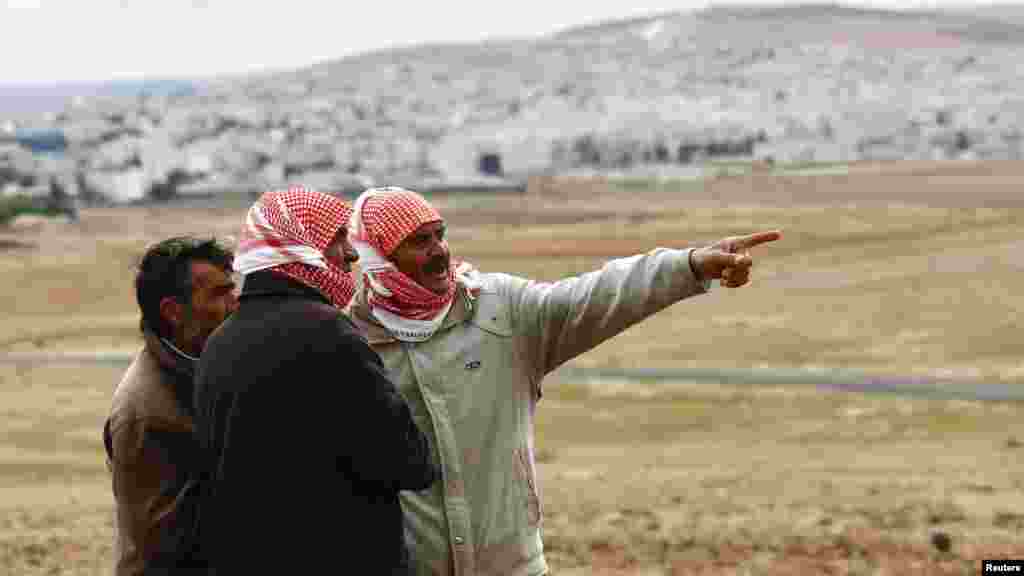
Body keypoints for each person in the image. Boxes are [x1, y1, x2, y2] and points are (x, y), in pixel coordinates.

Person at [345, 186, 782, 576]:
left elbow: (596, 296)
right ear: (379, 255)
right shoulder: (349, 340)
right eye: (420, 242)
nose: (439, 251)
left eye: (440, 234)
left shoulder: (498, 311)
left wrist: (689, 267)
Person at [191, 186, 436, 575]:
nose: (352, 254)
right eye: (338, 239)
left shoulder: (221, 341)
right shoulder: (328, 334)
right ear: (300, 248)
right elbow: (407, 462)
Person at [103, 236, 238, 576]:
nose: (235, 302)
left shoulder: (202, 366)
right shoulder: (145, 410)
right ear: (173, 312)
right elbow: (161, 546)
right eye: (219, 294)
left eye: (232, 289)